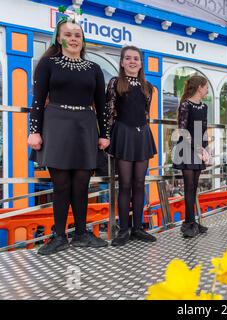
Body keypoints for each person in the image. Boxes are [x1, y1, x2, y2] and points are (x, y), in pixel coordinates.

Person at [27, 13, 109, 255]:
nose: (73, 39)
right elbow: (38, 101)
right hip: (56, 125)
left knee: (82, 183)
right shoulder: (47, 65)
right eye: (68, 35)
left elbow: (101, 105)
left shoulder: (94, 68)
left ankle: (82, 233)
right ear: (59, 39)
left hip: (85, 125)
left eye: (78, 35)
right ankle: (59, 235)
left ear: (83, 41)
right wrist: (35, 131)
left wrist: (104, 134)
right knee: (61, 184)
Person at [106, 46, 158, 246]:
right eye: (127, 58)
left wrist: (141, 129)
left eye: (136, 58)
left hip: (142, 133)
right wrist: (108, 137)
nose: (132, 61)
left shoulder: (148, 85)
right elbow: (109, 112)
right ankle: (123, 229)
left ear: (141, 63)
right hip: (123, 133)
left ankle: (138, 228)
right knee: (125, 184)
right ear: (121, 62)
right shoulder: (115, 83)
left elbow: (145, 113)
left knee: (139, 183)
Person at [172, 75, 210, 238]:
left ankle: (192, 221)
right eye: (206, 87)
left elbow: (204, 129)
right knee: (188, 187)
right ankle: (187, 224)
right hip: (187, 149)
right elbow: (182, 130)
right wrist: (197, 148)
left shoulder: (204, 106)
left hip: (198, 150)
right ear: (200, 87)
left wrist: (206, 149)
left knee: (194, 187)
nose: (207, 89)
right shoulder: (185, 105)